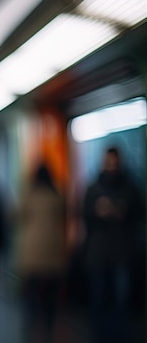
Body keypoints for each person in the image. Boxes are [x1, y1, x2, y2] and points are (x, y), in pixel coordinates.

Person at [81, 146, 144, 343]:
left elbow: (139, 214)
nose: (111, 166)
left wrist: (121, 211)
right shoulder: (93, 189)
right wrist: (98, 211)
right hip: (99, 254)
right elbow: (84, 215)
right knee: (99, 299)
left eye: (114, 162)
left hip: (122, 253)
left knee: (121, 301)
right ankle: (99, 336)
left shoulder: (130, 187)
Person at [14, 164, 65, 343]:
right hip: (53, 254)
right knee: (50, 297)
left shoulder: (29, 195)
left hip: (32, 255)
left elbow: (16, 214)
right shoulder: (56, 195)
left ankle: (32, 328)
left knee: (32, 296)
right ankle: (49, 328)